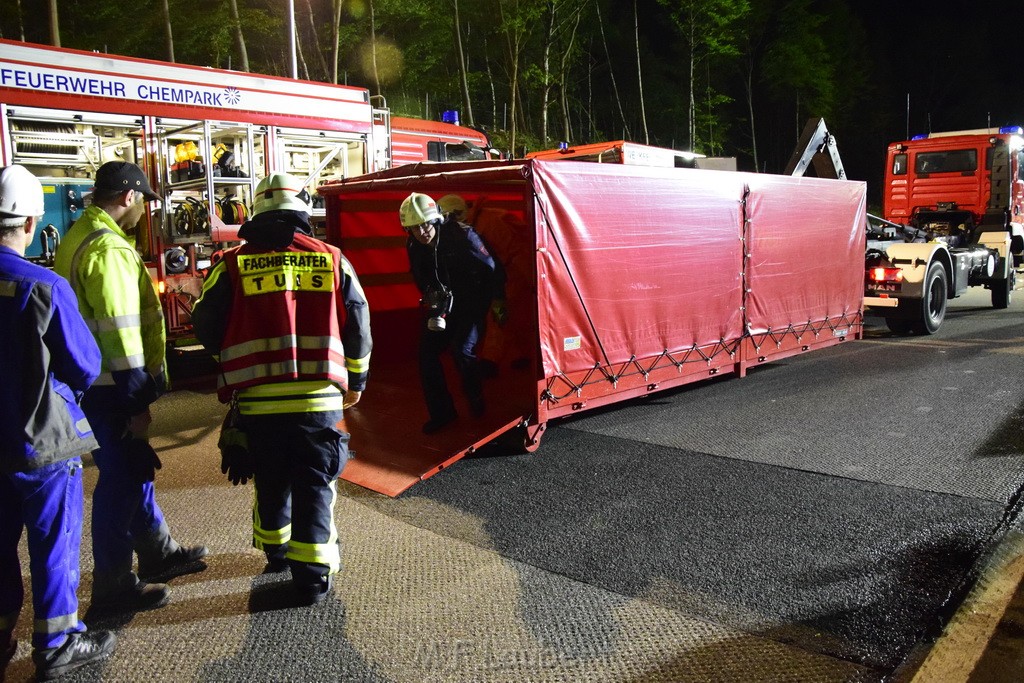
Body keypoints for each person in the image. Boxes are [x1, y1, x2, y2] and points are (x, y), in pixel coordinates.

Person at [191, 172, 371, 605]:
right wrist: (357, 379)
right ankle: (311, 577)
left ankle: (276, 551)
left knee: (270, 477)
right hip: (318, 401)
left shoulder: (230, 263)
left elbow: (205, 321)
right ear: (302, 213)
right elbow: (358, 321)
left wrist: (231, 360)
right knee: (315, 483)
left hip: (256, 399)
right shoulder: (331, 258)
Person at [53, 161, 208, 614]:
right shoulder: (110, 250)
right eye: (143, 201)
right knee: (120, 481)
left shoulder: (80, 236)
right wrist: (136, 396)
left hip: (92, 383)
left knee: (133, 470)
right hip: (115, 386)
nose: (144, 210)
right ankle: (114, 586)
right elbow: (121, 331)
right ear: (127, 197)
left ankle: (158, 551)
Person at [0, 165, 117, 680]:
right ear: (30, 222)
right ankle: (57, 644)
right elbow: (85, 365)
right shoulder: (42, 286)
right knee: (53, 543)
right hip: (43, 444)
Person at [399, 192, 504, 434]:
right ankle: (442, 413)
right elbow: (421, 276)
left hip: (471, 301)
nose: (422, 231)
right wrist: (433, 298)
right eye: (415, 228)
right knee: (426, 354)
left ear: (435, 220)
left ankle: (475, 396)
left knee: (462, 349)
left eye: (425, 224)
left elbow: (491, 268)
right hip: (443, 303)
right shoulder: (414, 244)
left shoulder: (463, 235)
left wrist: (498, 300)